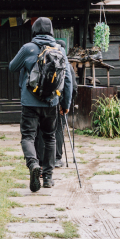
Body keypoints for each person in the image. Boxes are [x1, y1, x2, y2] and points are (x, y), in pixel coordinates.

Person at [9, 17, 73, 192]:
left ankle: (33, 164)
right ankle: (48, 178)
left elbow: (12, 67)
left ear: (34, 31)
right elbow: (67, 79)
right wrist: (65, 103)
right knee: (50, 137)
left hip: (30, 103)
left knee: (28, 136)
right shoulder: (59, 49)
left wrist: (27, 64)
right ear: (51, 31)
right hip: (52, 102)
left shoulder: (28, 48)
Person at [36, 39, 75, 168]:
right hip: (61, 101)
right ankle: (57, 158)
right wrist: (66, 104)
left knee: (44, 130)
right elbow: (72, 86)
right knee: (58, 129)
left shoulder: (45, 62)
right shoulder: (67, 66)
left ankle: (42, 160)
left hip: (50, 100)